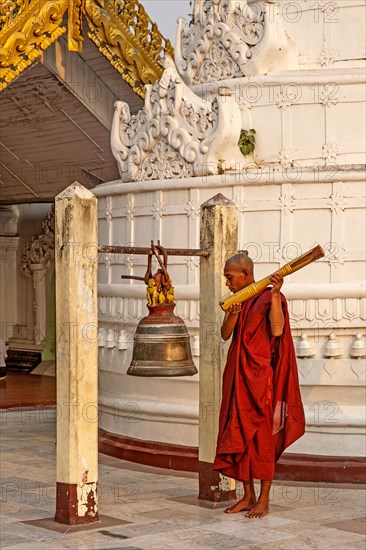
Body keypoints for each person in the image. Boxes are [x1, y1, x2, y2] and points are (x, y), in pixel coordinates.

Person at [213, 251, 305, 518]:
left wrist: (276, 294)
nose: (228, 283)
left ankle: (264, 499)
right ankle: (248, 496)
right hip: (238, 378)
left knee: (262, 439)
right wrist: (232, 314)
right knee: (238, 434)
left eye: (230, 278)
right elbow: (225, 334)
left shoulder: (268, 298)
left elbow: (276, 329)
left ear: (246, 274)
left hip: (260, 380)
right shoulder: (238, 300)